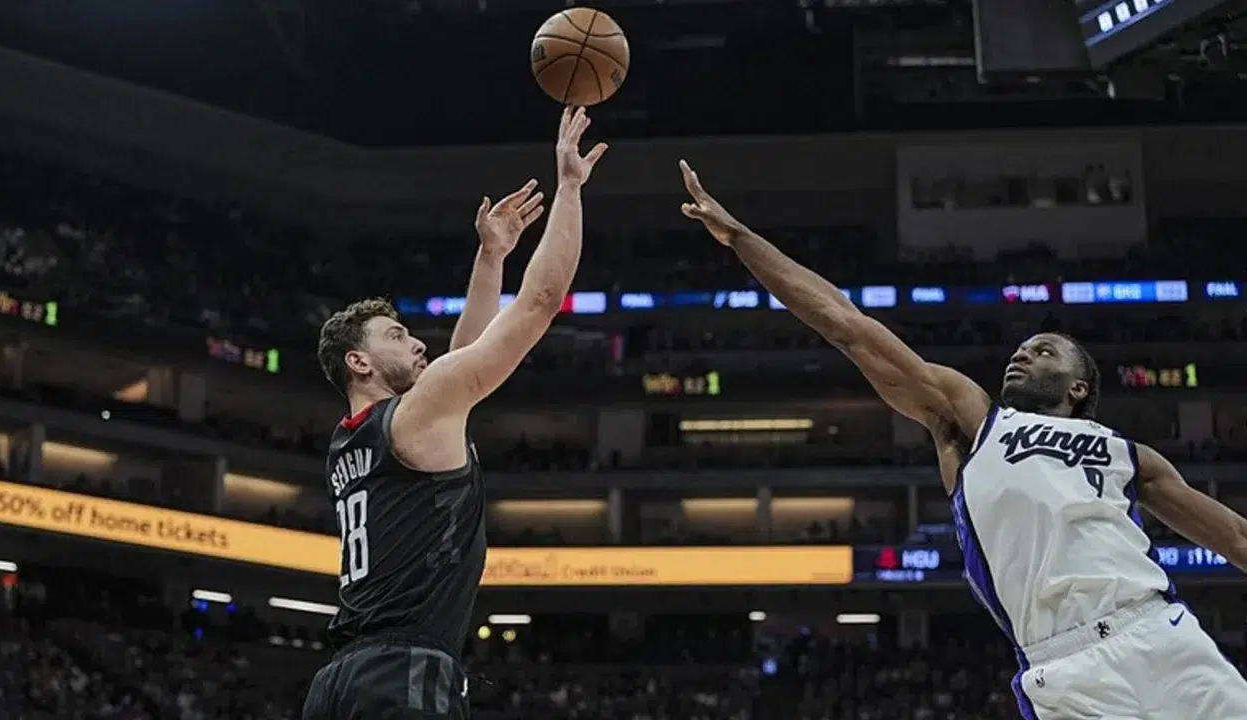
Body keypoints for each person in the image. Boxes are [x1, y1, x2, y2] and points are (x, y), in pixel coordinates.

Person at [677, 159, 1247, 720]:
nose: (1022, 353)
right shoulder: (974, 423)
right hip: (1066, 670)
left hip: (1160, 635)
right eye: (1021, 348)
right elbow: (847, 325)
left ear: (1078, 386)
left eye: (1044, 350)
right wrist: (741, 238)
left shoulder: (1129, 455)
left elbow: (1236, 537)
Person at [301, 107, 607, 720]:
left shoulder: (349, 441)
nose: (418, 343)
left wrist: (492, 258)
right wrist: (570, 187)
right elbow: (541, 302)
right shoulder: (413, 418)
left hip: (337, 681)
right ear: (359, 362)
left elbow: (461, 361)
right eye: (397, 336)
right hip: (403, 673)